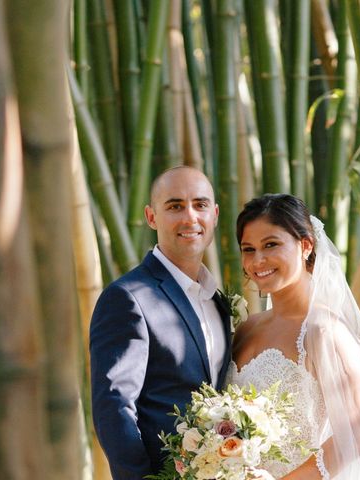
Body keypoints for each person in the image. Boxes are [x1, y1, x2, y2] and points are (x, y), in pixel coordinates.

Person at [225, 194, 360, 479]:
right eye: (248, 249)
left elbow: (357, 432)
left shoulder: (324, 331)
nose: (258, 260)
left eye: (271, 245)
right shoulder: (246, 329)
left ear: (305, 246)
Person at [90, 166, 232, 479]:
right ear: (151, 217)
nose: (190, 217)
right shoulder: (129, 297)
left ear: (215, 214)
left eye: (200, 204)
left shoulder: (218, 301)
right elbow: (114, 408)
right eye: (175, 206)